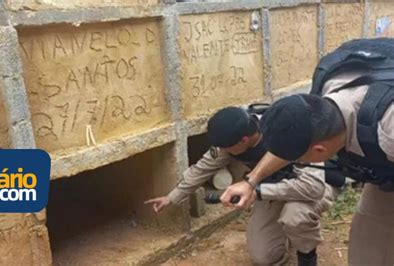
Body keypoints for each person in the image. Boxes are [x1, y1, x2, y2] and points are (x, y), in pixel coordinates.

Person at [220, 39, 394, 265]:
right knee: (366, 253)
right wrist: (251, 182)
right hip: (385, 171)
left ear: (320, 149)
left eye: (298, 159)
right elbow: (292, 144)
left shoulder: (388, 132)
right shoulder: (322, 95)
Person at [145, 106, 341, 266]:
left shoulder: (288, 131)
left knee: (295, 217)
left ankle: (307, 255)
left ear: (244, 139)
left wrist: (257, 191)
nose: (222, 150)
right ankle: (286, 233)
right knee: (263, 257)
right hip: (272, 190)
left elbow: (313, 187)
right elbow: (202, 168)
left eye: (226, 147)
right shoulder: (233, 140)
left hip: (316, 186)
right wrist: (172, 197)